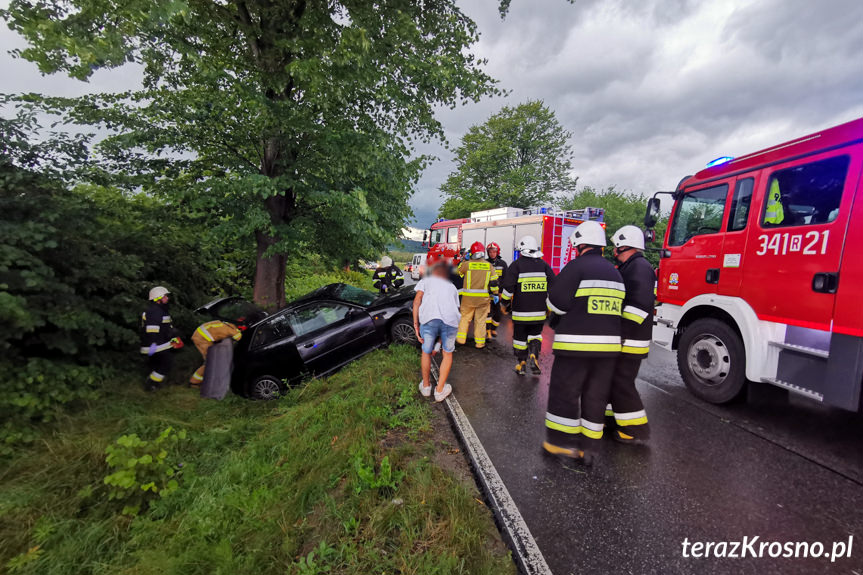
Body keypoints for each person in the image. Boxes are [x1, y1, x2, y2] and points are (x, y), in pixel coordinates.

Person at [544, 221, 625, 464]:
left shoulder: (576, 267)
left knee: (565, 392)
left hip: (576, 347)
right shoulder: (615, 273)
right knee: (596, 395)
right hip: (608, 350)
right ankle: (589, 447)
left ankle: (561, 444)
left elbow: (556, 304)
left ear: (580, 244)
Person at [606, 225, 654, 443]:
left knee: (622, 382)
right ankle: (612, 419)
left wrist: (621, 332)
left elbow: (639, 305)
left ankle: (635, 430)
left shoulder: (639, 268)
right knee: (612, 379)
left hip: (630, 339)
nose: (613, 251)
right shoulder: (632, 267)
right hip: (628, 338)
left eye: (615, 246)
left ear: (622, 245)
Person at [500, 235, 555, 375]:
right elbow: (553, 286)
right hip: (539, 312)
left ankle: (521, 364)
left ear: (522, 250)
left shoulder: (517, 265)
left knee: (519, 339)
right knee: (535, 335)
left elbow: (508, 288)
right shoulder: (544, 265)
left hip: (521, 312)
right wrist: (549, 306)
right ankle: (534, 356)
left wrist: (504, 303)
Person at [413, 252, 461, 402]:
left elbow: (416, 301)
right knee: (447, 354)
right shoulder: (451, 286)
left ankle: (426, 387)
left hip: (428, 320)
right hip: (450, 322)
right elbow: (452, 311)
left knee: (426, 352)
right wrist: (439, 343)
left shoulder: (426, 281)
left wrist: (416, 324)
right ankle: (440, 390)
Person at [456, 241, 498, 348]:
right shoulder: (489, 266)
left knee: (465, 318)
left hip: (468, 299)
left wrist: (464, 260)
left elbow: (458, 272)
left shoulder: (467, 264)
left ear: (472, 253)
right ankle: (479, 343)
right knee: (480, 321)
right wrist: (495, 294)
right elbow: (494, 282)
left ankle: (461, 339)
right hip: (483, 300)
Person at [140, 286, 182, 391]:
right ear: (158, 298)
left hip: (161, 343)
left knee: (158, 365)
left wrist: (174, 336)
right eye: (165, 296)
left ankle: (153, 384)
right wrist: (153, 344)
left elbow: (165, 327)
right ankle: (151, 383)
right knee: (166, 364)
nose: (167, 298)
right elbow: (152, 330)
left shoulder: (159, 310)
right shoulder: (155, 311)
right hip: (156, 345)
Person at [189, 319, 243, 387]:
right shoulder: (232, 330)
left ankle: (203, 382)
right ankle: (194, 383)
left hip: (202, 336)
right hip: (202, 339)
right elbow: (241, 339)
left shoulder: (226, 324)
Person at [485, 242, 508, 338]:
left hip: (498, 294)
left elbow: (506, 279)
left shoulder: (503, 264)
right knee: (488, 314)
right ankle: (488, 332)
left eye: (494, 252)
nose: (492, 254)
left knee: (498, 314)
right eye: (490, 252)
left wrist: (501, 292)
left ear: (497, 252)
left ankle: (493, 329)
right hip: (487, 293)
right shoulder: (485, 263)